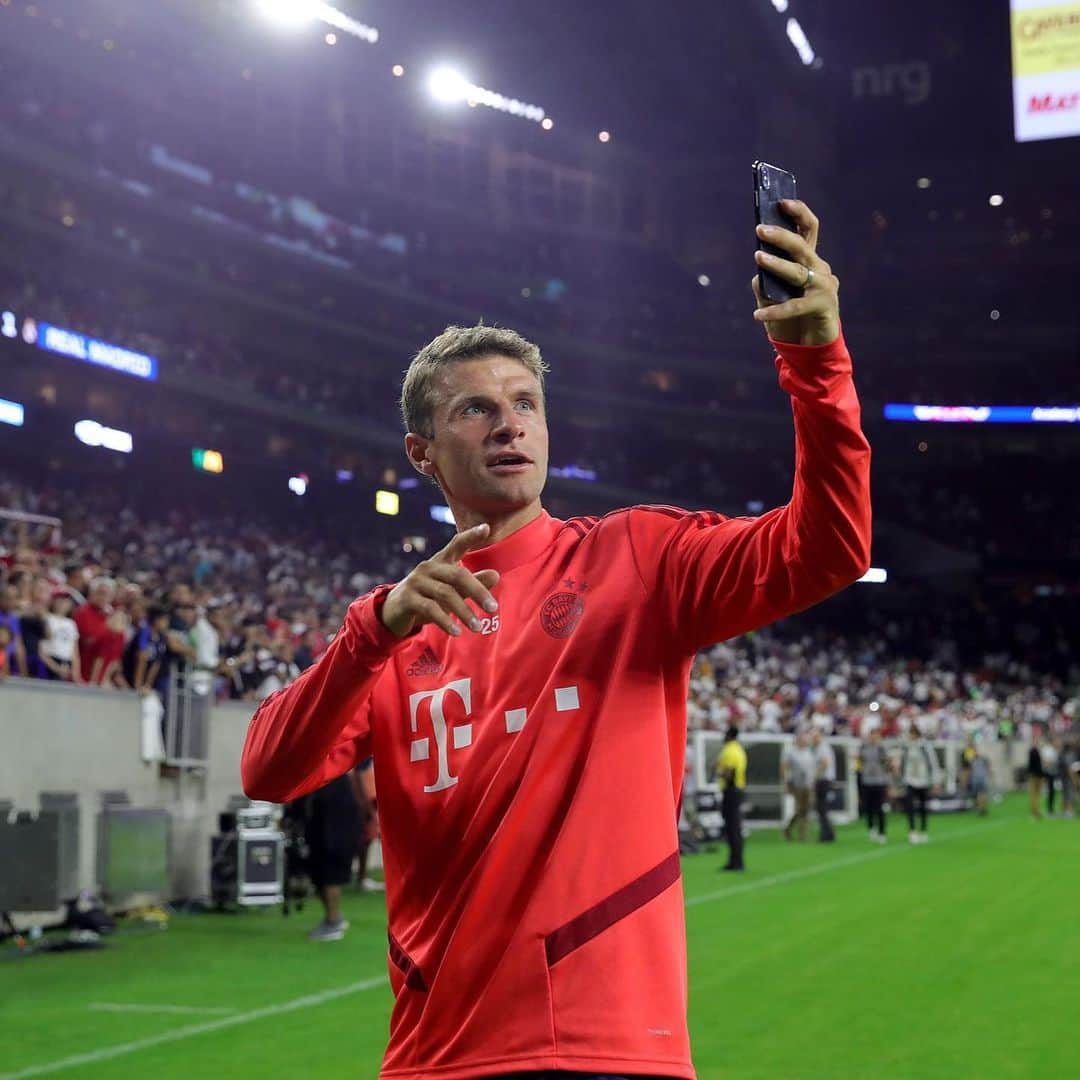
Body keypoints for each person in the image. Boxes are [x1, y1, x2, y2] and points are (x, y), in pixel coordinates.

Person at [243, 199, 871, 1080]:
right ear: (422, 454)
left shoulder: (639, 561)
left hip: (608, 1047)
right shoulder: (391, 634)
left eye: (526, 403)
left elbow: (830, 549)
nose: (510, 423)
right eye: (475, 410)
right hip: (433, 1056)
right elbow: (267, 771)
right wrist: (371, 631)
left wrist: (816, 362)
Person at [901, 724, 940, 843]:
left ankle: (923, 829)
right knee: (909, 806)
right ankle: (912, 830)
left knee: (923, 807)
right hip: (910, 780)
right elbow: (904, 763)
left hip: (923, 780)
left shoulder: (925, 746)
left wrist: (935, 781)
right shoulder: (907, 747)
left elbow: (933, 764)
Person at [716, 726, 748, 872]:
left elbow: (728, 773)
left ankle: (736, 861)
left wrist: (718, 772)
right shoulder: (739, 750)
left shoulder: (728, 751)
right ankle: (737, 860)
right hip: (739, 789)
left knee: (732, 827)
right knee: (736, 826)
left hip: (731, 791)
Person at [781, 729, 815, 841]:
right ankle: (799, 833)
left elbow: (812, 768)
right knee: (799, 810)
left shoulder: (809, 752)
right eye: (801, 739)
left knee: (806, 809)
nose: (803, 741)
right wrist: (786, 782)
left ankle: (796, 832)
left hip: (808, 784)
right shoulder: (790, 752)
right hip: (796, 784)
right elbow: (784, 767)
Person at [858, 728, 891, 842]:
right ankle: (871, 828)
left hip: (880, 781)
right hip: (867, 780)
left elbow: (886, 763)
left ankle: (882, 832)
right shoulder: (863, 747)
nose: (873, 738)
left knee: (880, 807)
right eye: (872, 736)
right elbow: (859, 762)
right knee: (868, 807)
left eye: (875, 736)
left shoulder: (881, 748)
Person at [810, 729, 836, 842]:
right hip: (824, 781)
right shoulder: (821, 748)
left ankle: (825, 835)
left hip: (823, 781)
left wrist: (814, 777)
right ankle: (828, 834)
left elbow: (824, 764)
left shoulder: (822, 748)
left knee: (822, 808)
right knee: (822, 809)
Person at [1027, 732, 1045, 820]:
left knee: (1037, 794)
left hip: (1038, 775)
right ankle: (1034, 811)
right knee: (1034, 794)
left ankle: (1036, 810)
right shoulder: (1032, 751)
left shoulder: (1036, 750)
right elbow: (1034, 765)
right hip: (1035, 775)